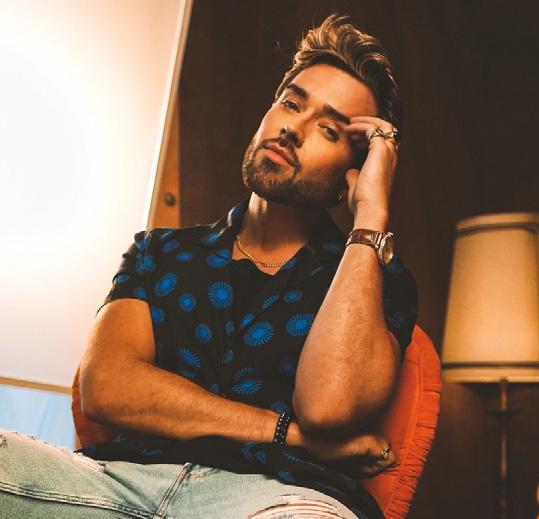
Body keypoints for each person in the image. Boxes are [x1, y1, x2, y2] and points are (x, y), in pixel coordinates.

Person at [0, 13, 417, 519]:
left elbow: (328, 407)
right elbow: (106, 388)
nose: (293, 129)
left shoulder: (377, 278)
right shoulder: (158, 252)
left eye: (328, 129)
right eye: (291, 103)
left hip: (277, 499)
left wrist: (369, 218)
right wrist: (291, 434)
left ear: (352, 172)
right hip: (120, 487)